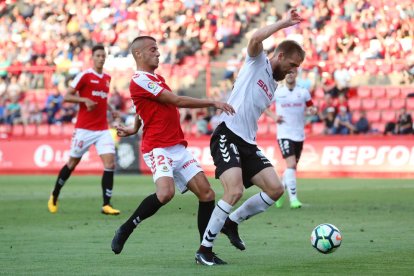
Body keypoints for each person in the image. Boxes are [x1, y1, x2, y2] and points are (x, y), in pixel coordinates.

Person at [195, 8, 305, 265]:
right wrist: (284, 23)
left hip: (247, 141)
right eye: (291, 65)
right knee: (233, 191)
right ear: (279, 56)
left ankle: (232, 222)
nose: (292, 71)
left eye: (296, 68)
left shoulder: (274, 86)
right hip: (227, 134)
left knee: (276, 189)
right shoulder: (258, 63)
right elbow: (255, 39)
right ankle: (204, 250)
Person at [110, 36, 235, 261]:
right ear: (138, 54)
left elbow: (142, 109)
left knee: (207, 194)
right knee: (166, 193)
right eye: (153, 49)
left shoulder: (156, 79)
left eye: (158, 49)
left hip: (176, 145)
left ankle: (204, 251)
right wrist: (213, 102)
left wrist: (132, 128)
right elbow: (175, 101)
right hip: (157, 147)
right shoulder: (139, 79)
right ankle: (126, 228)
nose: (158, 53)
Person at [47, 45, 120, 215]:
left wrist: (111, 109)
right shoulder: (85, 76)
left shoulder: (107, 78)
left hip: (102, 129)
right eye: (98, 55)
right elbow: (67, 96)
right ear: (92, 58)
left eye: (103, 55)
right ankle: (55, 195)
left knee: (110, 164)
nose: (101, 58)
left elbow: (102, 99)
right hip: (84, 129)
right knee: (72, 163)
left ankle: (106, 205)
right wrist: (84, 99)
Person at [264, 68, 317, 209]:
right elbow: (264, 105)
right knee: (291, 165)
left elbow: (312, 107)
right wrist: (274, 116)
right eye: (287, 72)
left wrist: (312, 110)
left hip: (299, 135)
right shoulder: (278, 91)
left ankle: (279, 193)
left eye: (292, 72)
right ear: (284, 75)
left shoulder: (303, 92)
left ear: (296, 75)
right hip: (284, 134)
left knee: (291, 168)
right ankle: (293, 200)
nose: (290, 75)